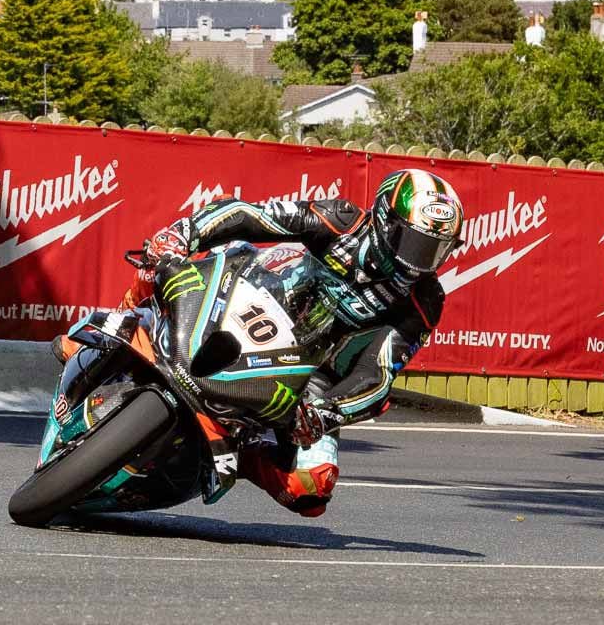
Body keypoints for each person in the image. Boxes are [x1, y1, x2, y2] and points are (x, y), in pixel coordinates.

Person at [68, 168, 463, 518]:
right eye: (414, 243)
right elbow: (252, 216)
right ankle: (113, 332)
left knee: (312, 490)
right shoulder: (341, 220)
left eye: (435, 249)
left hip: (309, 373)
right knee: (164, 261)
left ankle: (239, 455)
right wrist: (181, 236)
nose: (423, 260)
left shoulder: (424, 300)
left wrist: (327, 412)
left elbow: (376, 373)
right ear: (383, 221)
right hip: (250, 294)